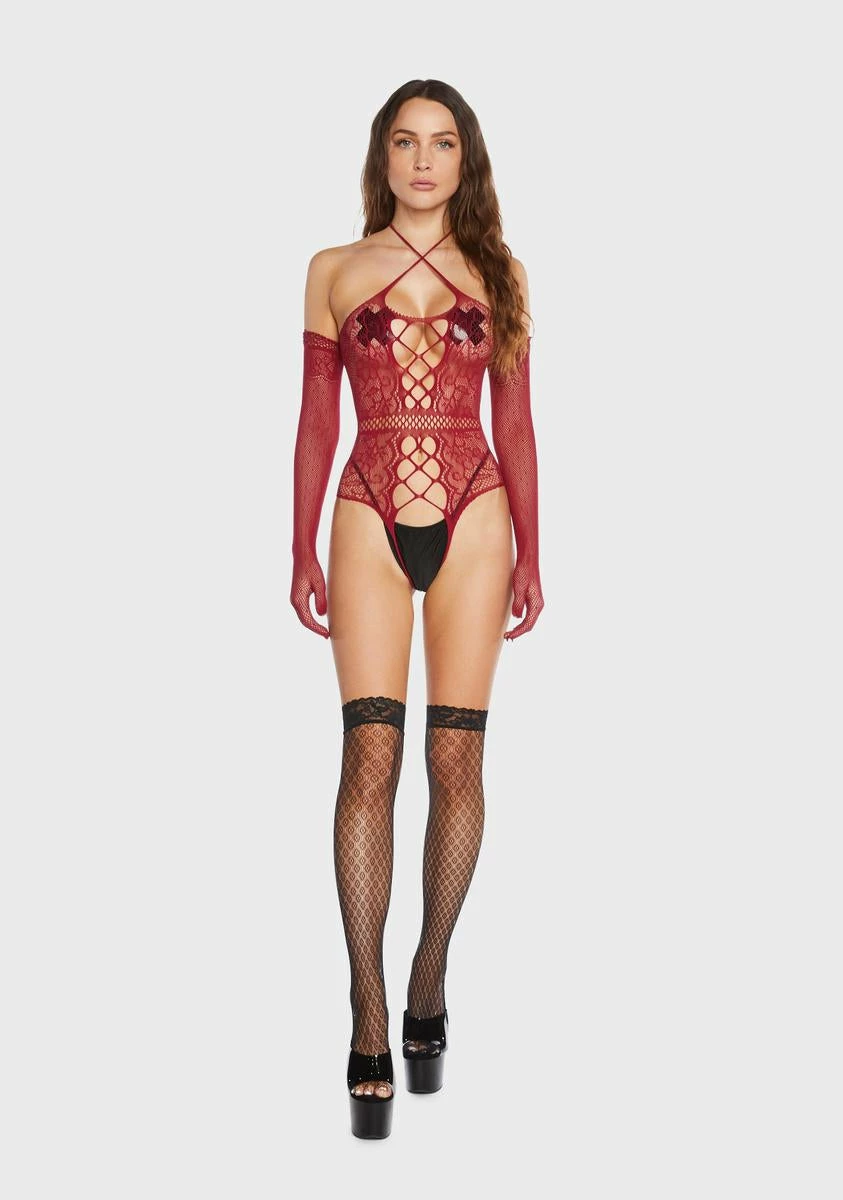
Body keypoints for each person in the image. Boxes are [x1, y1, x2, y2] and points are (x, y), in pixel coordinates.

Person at [290, 79, 544, 1139]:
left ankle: (428, 975)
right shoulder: (334, 270)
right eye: (406, 142)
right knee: (369, 758)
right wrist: (297, 542)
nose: (424, 160)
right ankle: (366, 1006)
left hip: (478, 511)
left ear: (464, 159)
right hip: (365, 509)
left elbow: (516, 422)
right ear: (382, 156)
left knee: (456, 763)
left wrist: (535, 549)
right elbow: (316, 417)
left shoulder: (501, 271)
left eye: (443, 143)